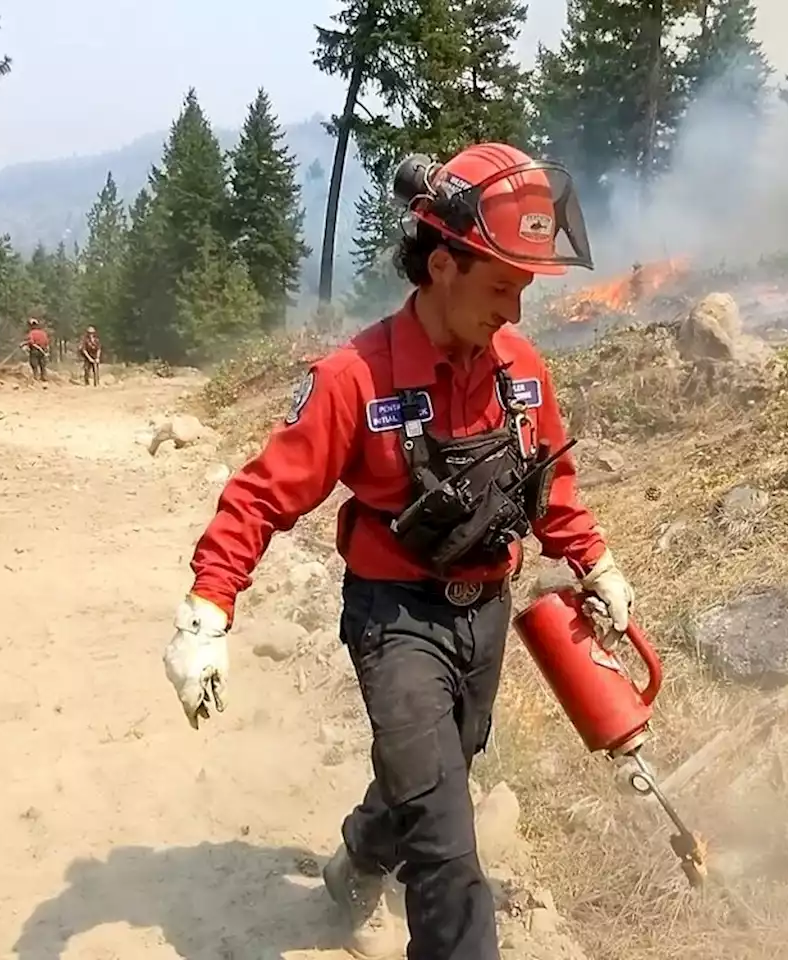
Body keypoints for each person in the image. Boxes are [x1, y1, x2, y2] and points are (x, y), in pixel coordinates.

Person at [162, 142, 636, 960]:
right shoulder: (356, 379)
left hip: (485, 614)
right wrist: (207, 611)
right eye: (500, 288)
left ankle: (360, 851)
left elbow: (549, 486)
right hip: (395, 624)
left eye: (523, 290)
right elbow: (262, 493)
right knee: (449, 852)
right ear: (443, 264)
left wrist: (595, 562)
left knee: (444, 768)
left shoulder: (520, 369)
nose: (515, 313)